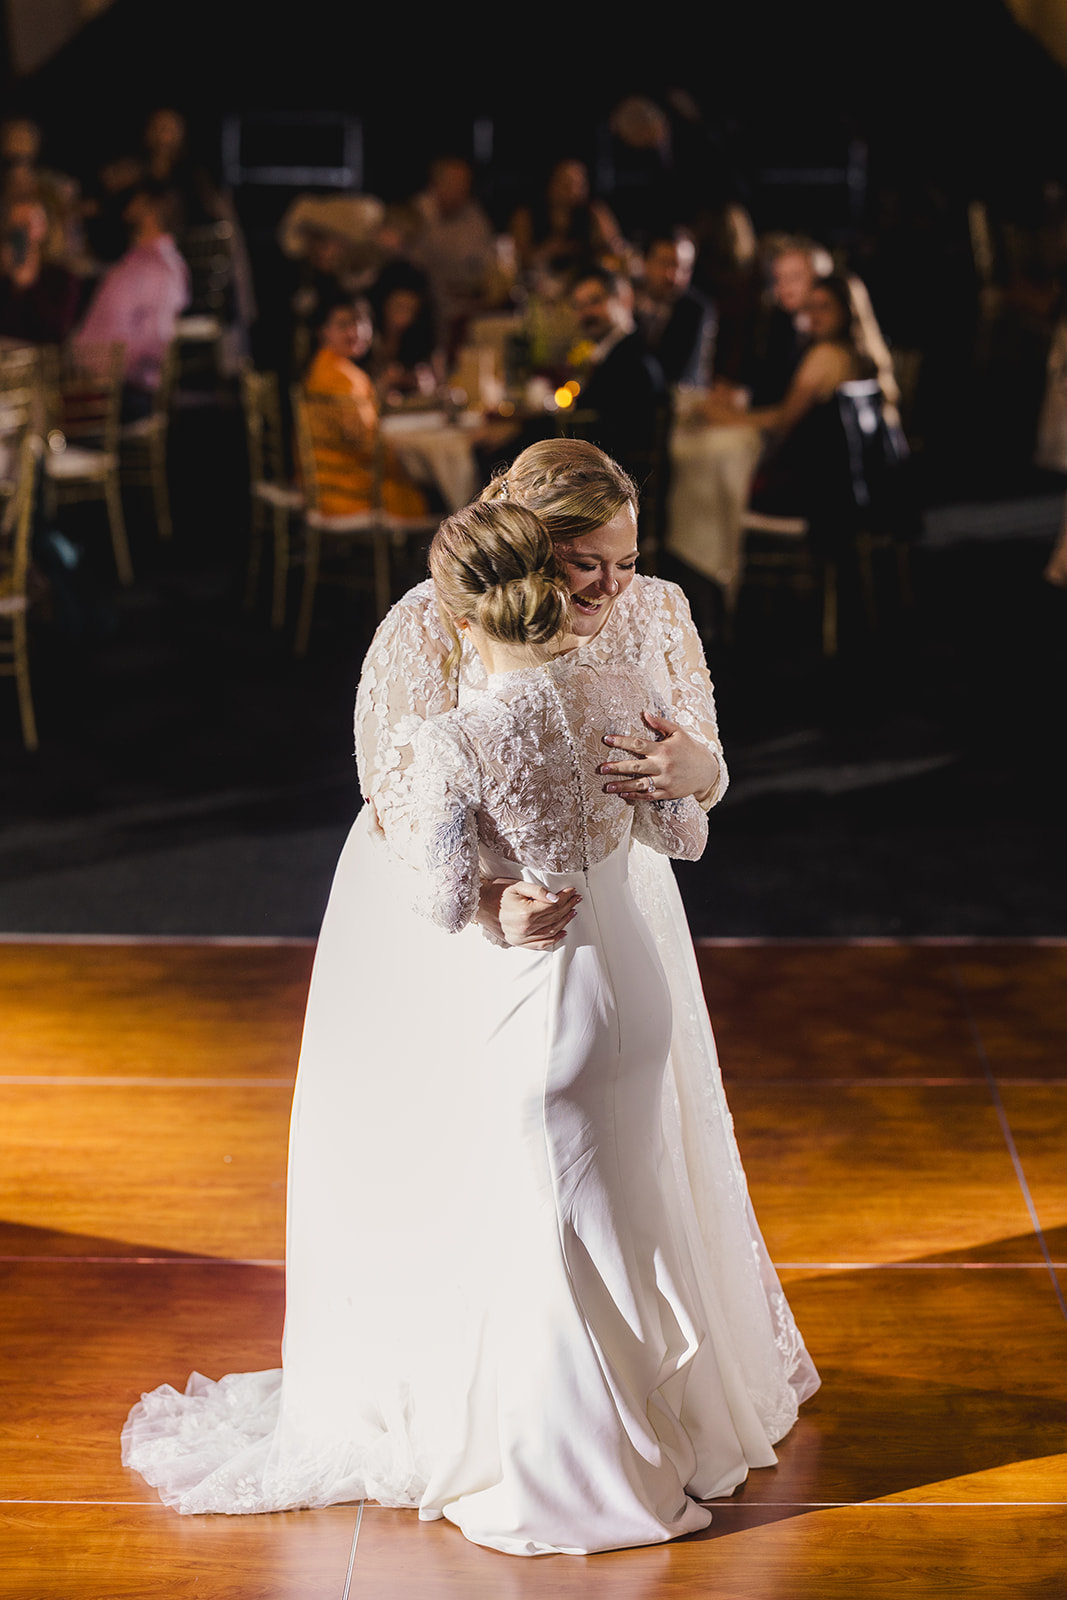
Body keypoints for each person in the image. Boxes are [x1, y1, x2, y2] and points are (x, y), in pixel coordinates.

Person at [121, 438, 818, 1553]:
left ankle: (630, 1410)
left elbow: (701, 766)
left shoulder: (656, 615)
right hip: (442, 922)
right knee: (486, 1157)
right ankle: (490, 1412)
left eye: (624, 562)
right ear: (520, 546)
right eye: (581, 564)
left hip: (613, 903)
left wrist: (701, 772)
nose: (607, 589)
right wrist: (489, 906)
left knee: (616, 1162)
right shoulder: (421, 621)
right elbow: (395, 800)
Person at [302, 293, 427, 516]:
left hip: (321, 484)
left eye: (360, 322)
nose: (355, 332)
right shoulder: (343, 377)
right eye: (343, 325)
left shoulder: (323, 366)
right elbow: (369, 444)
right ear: (323, 331)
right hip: (348, 491)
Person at [74, 182, 190, 420]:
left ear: (153, 211)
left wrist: (104, 374)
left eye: (138, 202)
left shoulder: (162, 268)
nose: (127, 209)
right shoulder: (137, 258)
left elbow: (157, 338)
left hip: (118, 392)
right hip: (89, 380)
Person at [570, 267, 667, 483]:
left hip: (610, 485)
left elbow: (600, 430)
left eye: (594, 302)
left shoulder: (631, 360)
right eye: (579, 306)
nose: (586, 314)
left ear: (623, 300)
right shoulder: (617, 354)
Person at [635, 232, 715, 387]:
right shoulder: (626, 299)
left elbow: (687, 372)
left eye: (684, 268)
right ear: (644, 262)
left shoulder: (696, 309)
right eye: (665, 263)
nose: (674, 276)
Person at [0, 198, 80, 344]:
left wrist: (27, 287)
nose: (22, 232)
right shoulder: (4, 276)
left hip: (39, 360)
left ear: (44, 227)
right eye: (16, 225)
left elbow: (54, 332)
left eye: (28, 223)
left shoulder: (61, 276)